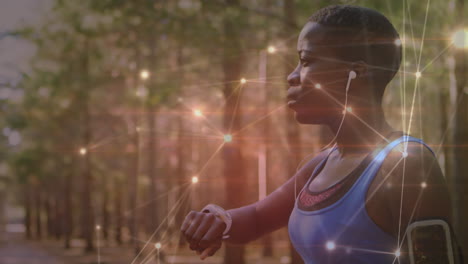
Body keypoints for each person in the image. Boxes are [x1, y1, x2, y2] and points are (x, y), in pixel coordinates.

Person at [181, 5, 460, 263]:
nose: (292, 76)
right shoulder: (319, 165)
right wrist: (218, 220)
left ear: (356, 72)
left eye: (306, 60)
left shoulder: (406, 164)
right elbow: (255, 219)